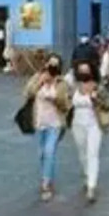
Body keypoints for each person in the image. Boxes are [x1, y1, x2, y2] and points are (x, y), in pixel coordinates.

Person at [23, 55, 71, 201]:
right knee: (42, 154)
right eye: (49, 64)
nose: (51, 68)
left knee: (49, 151)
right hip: (40, 123)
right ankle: (47, 174)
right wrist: (40, 82)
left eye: (54, 66)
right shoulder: (38, 77)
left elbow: (66, 105)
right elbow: (27, 93)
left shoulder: (61, 83)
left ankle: (46, 183)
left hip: (55, 123)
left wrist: (55, 99)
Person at [69, 60, 109, 203]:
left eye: (86, 70)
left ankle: (91, 186)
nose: (84, 73)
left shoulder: (98, 87)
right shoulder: (73, 87)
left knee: (92, 153)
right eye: (81, 70)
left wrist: (96, 98)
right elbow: (65, 100)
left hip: (94, 123)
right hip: (77, 124)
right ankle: (86, 174)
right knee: (82, 153)